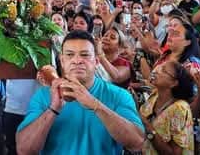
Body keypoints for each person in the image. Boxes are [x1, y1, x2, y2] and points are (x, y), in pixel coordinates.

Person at [16, 30, 144, 154]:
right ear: (62, 60)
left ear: (96, 61)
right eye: (70, 54)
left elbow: (137, 143)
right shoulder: (44, 96)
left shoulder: (119, 95)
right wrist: (53, 109)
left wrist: (95, 105)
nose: (77, 60)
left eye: (85, 55)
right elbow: (24, 150)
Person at [139, 61, 195, 154]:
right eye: (159, 67)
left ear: (174, 83)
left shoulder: (180, 109)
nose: (157, 71)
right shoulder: (154, 96)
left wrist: (148, 127)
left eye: (164, 70)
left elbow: (174, 153)